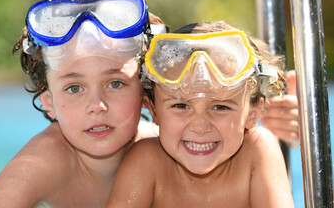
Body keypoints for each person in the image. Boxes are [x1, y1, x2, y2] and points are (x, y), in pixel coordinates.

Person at [0, 0, 166, 208]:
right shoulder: (44, 160)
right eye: (74, 88)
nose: (97, 106)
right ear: (49, 103)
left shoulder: (163, 148)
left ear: (144, 92)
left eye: (115, 83)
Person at [107, 21, 295, 207]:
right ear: (154, 111)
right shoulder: (146, 161)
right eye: (181, 106)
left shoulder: (257, 150)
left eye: (220, 107)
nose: (200, 126)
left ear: (253, 114)